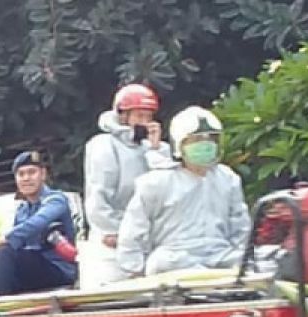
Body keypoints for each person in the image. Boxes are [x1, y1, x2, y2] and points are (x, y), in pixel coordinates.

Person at [116, 106, 251, 278]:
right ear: (179, 145)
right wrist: (134, 269)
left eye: (211, 138)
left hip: (221, 259)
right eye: (196, 140)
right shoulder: (155, 182)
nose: (205, 144)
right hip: (172, 263)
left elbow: (241, 227)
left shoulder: (228, 179)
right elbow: (133, 231)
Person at [0, 151, 78, 311]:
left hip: (56, 270)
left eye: (31, 172)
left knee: (6, 251)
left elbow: (36, 224)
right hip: (29, 270)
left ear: (43, 174)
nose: (26, 178)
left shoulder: (56, 200)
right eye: (21, 174)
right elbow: (18, 246)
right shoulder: (22, 210)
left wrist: (1, 241)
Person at [81, 84, 170, 288]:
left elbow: (167, 189)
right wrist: (113, 232)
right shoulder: (103, 145)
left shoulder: (157, 149)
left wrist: (156, 150)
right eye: (139, 116)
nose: (144, 122)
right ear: (123, 116)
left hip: (151, 242)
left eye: (149, 117)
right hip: (113, 244)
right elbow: (98, 195)